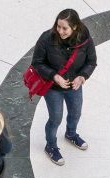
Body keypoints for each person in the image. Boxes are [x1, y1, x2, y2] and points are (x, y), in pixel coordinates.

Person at [31, 8, 97, 166]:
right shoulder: (47, 38)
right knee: (55, 118)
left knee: (76, 112)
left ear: (74, 27)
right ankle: (51, 146)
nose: (60, 31)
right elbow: (37, 62)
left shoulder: (85, 39)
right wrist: (54, 76)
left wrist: (82, 76)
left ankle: (71, 134)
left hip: (74, 86)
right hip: (54, 87)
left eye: (64, 28)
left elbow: (91, 61)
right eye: (58, 26)